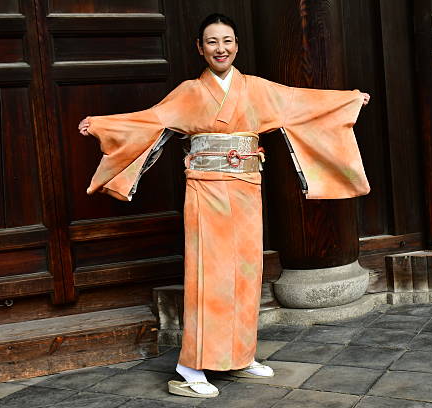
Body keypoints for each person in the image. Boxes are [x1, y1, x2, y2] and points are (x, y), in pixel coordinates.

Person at [78, 13, 371, 398]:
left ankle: (239, 356)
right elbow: (148, 121)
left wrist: (347, 101)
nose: (221, 49)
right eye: (212, 42)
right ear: (200, 48)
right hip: (206, 191)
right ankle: (189, 367)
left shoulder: (257, 89)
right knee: (209, 276)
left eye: (228, 41)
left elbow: (301, 103)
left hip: (246, 189)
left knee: (246, 272)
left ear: (237, 46)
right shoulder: (189, 92)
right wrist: (101, 125)